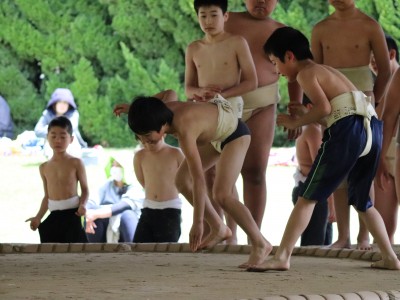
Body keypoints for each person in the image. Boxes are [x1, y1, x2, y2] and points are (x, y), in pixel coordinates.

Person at [248, 27, 400, 271]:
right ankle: (390, 258)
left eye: (275, 63)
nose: (277, 70)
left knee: (307, 196)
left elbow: (327, 111)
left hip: (349, 130)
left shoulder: (306, 73)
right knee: (363, 202)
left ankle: (282, 256)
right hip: (370, 126)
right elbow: (334, 112)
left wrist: (296, 122)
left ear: (289, 56)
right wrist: (309, 115)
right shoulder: (325, 70)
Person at [114, 90, 271, 267]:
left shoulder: (185, 130)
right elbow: (169, 92)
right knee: (181, 180)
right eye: (140, 137)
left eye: (148, 136)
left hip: (235, 134)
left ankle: (260, 243)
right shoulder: (161, 109)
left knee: (222, 194)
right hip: (216, 136)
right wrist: (134, 109)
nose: (144, 141)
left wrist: (198, 223)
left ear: (162, 126)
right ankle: (219, 227)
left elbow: (198, 179)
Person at [311, 0, 391, 250]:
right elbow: (314, 70)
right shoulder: (320, 29)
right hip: (333, 106)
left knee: (363, 168)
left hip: (364, 102)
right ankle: (343, 234)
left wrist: (375, 103)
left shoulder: (370, 25)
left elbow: (386, 71)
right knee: (338, 169)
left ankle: (363, 236)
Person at [224, 0, 302, 230]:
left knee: (255, 172)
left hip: (263, 106)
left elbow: (294, 73)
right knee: (219, 173)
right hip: (225, 105)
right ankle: (228, 232)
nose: (261, 2)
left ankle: (253, 235)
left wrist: (295, 108)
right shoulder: (225, 21)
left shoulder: (282, 31)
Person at [185, 0, 258, 243]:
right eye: (203, 15)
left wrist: (221, 94)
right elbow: (188, 88)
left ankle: (234, 233)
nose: (208, 21)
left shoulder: (237, 42)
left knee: (224, 180)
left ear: (225, 16)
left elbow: (251, 82)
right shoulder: (194, 48)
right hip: (203, 112)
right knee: (204, 176)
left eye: (213, 15)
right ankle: (218, 228)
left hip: (229, 110)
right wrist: (200, 93)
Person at [26, 116, 88, 243]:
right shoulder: (44, 167)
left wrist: (82, 205)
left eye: (63, 136)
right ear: (47, 137)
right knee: (50, 251)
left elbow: (85, 190)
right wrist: (38, 217)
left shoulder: (76, 163)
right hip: (54, 215)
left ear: (71, 139)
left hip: (73, 214)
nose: (58, 140)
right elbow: (47, 197)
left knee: (78, 251)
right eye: (53, 136)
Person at [292, 94, 334, 246]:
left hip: (307, 189)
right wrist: (332, 203)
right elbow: (320, 169)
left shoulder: (311, 128)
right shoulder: (312, 130)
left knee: (318, 239)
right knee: (315, 242)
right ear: (311, 108)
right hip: (313, 190)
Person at [371, 34, 399, 243]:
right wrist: (380, 156)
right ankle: (386, 253)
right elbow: (388, 117)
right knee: (383, 227)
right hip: (392, 147)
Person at [133, 134, 184, 243]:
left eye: (152, 141)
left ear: (163, 133)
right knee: (138, 248)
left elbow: (187, 181)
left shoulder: (176, 154)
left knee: (167, 251)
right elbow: (143, 182)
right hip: (148, 209)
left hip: (171, 210)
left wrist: (169, 191)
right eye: (144, 142)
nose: (148, 145)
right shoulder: (139, 156)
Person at [85, 158, 142, 243]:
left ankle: (133, 251)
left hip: (126, 227)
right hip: (106, 224)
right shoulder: (107, 185)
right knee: (92, 212)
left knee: (127, 215)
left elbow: (123, 206)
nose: (114, 168)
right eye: (113, 165)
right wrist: (89, 213)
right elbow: (90, 201)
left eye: (118, 166)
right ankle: (96, 251)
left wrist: (96, 213)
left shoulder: (135, 187)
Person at [35, 88, 87, 158]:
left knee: (69, 133)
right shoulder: (47, 114)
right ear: (55, 104)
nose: (62, 106)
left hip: (70, 146)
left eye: (65, 103)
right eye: (60, 102)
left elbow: (71, 127)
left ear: (69, 105)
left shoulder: (73, 114)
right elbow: (38, 130)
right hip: (52, 146)